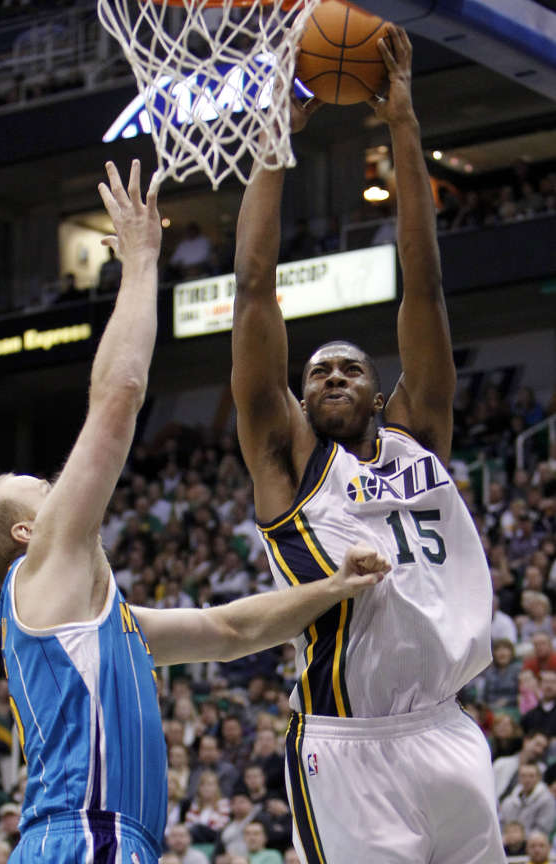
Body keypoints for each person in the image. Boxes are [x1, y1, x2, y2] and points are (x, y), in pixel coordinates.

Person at [0, 160, 390, 863]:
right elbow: (120, 395)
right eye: (42, 485)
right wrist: (140, 261)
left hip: (97, 840)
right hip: (86, 837)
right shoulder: (43, 571)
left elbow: (227, 629)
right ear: (27, 533)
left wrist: (333, 588)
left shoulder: (98, 627)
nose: (60, 486)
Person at [231, 25, 503, 864]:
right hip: (346, 747)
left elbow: (423, 283)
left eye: (351, 369)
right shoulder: (287, 461)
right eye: (318, 375)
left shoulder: (420, 432)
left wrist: (406, 128)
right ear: (300, 402)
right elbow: (252, 291)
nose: (335, 379)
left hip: (448, 732)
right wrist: (273, 144)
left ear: (379, 392)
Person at [499, 762, 556, 837]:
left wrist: (520, 837)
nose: (527, 780)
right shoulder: (508, 802)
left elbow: (543, 829)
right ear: (519, 778)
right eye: (523, 776)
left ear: (539, 778)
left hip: (532, 844)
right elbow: (501, 824)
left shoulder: (548, 801)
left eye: (531, 776)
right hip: (507, 842)